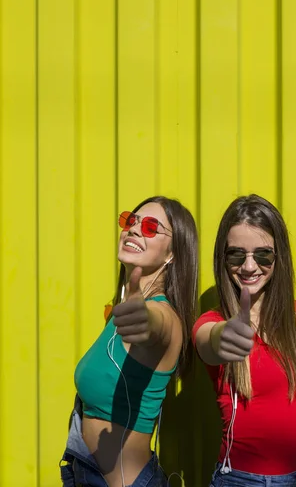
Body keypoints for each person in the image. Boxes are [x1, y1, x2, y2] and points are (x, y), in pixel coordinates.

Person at [193, 194, 296, 487]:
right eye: (237, 254)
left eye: (263, 255)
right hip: (242, 482)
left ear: (279, 257)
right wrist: (225, 336)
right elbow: (208, 343)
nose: (249, 267)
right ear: (223, 259)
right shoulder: (211, 321)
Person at [61, 196, 198, 487]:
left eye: (150, 227)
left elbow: (154, 325)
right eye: (130, 220)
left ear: (172, 255)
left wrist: (142, 318)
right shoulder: (122, 309)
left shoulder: (166, 316)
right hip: (87, 473)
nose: (134, 229)